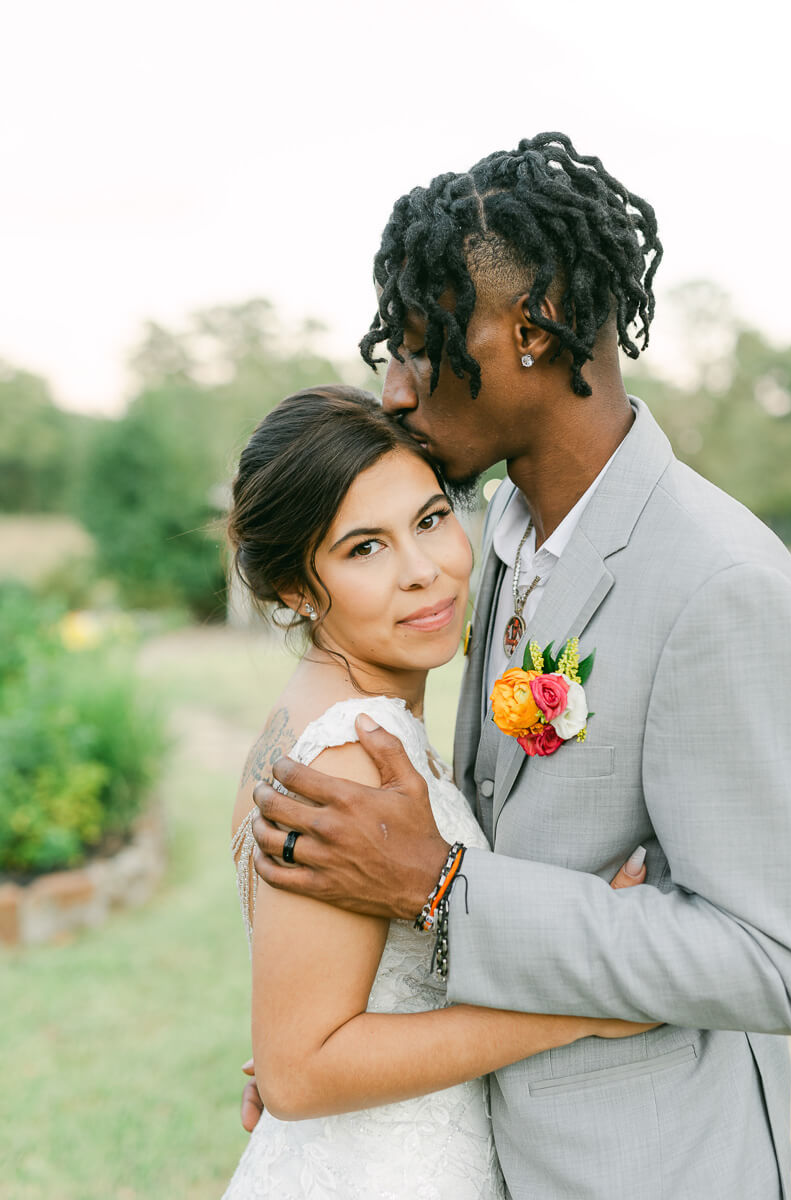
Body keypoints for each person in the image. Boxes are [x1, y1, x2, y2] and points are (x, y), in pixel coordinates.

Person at [247, 135, 791, 1198]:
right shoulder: (495, 529)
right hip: (491, 1140)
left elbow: (772, 956)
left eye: (417, 345)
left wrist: (444, 887)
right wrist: (341, 1034)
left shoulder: (715, 580)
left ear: (530, 333)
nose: (396, 390)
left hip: (648, 1166)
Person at [222, 385, 655, 1198]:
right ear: (294, 588)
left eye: (428, 520)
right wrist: (582, 1010)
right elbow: (300, 1073)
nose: (425, 572)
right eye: (364, 549)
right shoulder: (349, 753)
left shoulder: (320, 720)